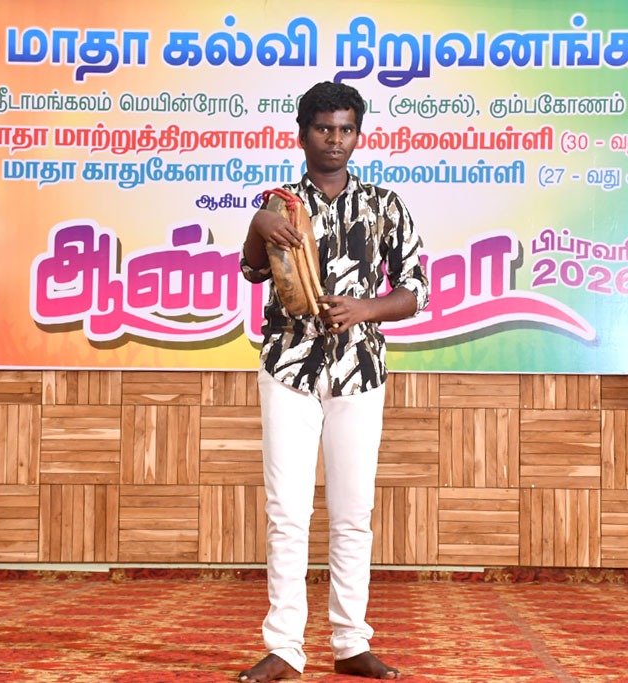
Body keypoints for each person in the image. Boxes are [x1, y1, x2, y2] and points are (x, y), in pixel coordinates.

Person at [237, 81, 429, 682]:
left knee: (352, 513)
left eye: (346, 129)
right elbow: (250, 269)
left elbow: (415, 290)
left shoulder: (385, 205)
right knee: (287, 513)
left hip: (359, 371)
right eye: (324, 128)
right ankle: (285, 648)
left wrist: (366, 309)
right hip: (289, 368)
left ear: (358, 135)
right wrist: (258, 224)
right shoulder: (280, 205)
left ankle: (350, 642)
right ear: (302, 134)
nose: (335, 139)